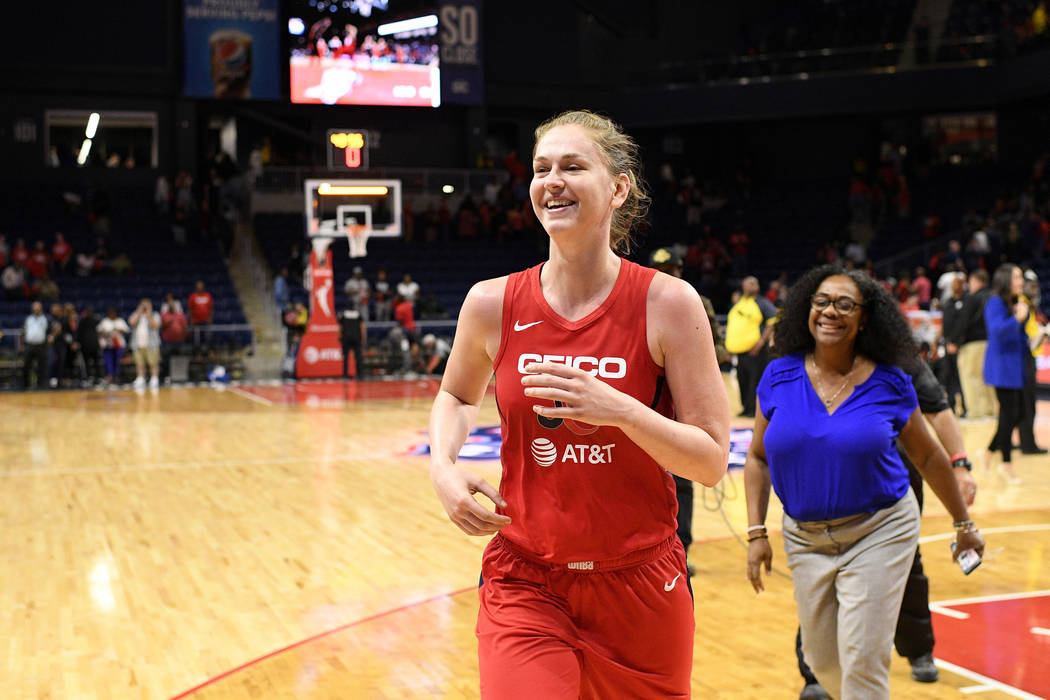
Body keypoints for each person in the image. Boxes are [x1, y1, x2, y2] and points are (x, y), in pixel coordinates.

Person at [428, 109, 729, 699]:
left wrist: (619, 409)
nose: (551, 181)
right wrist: (443, 467)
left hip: (641, 584)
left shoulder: (669, 303)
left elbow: (711, 462)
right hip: (527, 576)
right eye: (541, 169)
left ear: (619, 188)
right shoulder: (492, 303)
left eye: (572, 166)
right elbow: (457, 394)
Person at [745, 264, 984, 700]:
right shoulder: (778, 375)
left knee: (863, 659)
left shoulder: (890, 379)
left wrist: (963, 524)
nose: (830, 312)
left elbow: (928, 455)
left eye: (844, 304)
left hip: (880, 530)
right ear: (805, 309)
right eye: (821, 301)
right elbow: (758, 458)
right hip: (805, 538)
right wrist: (757, 531)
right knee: (823, 663)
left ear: (865, 318)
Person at [795, 358, 979, 698]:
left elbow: (938, 410)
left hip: (894, 479)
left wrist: (960, 463)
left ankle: (918, 649)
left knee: (906, 565)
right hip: (831, 479)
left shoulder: (899, 356)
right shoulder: (810, 358)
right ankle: (817, 671)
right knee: (823, 571)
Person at [649, 245, 729, 577]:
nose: (669, 276)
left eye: (673, 270)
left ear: (681, 270)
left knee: (682, 481)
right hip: (649, 403)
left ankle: (680, 549)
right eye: (662, 271)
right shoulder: (640, 300)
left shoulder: (696, 303)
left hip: (686, 404)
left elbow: (720, 349)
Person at [983, 264, 1034, 482]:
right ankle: (1006, 464)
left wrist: (1034, 339)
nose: (1021, 282)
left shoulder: (1015, 303)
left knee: (1015, 415)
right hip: (1001, 368)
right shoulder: (995, 302)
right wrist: (1018, 319)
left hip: (1015, 367)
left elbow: (1018, 337)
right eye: (1017, 278)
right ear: (1006, 280)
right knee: (1010, 415)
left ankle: (988, 452)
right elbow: (997, 331)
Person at [726, 275, 777, 417]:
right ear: (743, 285)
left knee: (755, 382)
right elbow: (733, 326)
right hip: (739, 352)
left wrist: (760, 343)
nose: (753, 285)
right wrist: (729, 348)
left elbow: (772, 322)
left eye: (755, 283)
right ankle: (746, 409)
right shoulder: (738, 303)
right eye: (749, 283)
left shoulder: (763, 303)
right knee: (742, 381)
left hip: (756, 352)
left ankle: (755, 411)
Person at [957, 270, 995, 418]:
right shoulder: (993, 296)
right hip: (990, 342)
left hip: (972, 342)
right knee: (986, 376)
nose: (969, 285)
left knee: (970, 376)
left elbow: (963, 321)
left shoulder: (972, 298)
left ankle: (975, 411)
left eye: (971, 281)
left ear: (977, 281)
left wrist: (954, 339)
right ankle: (990, 409)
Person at [128, 298, 162, 389]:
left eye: (147, 305)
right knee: (139, 363)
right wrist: (139, 313)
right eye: (143, 305)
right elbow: (131, 322)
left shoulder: (154, 314)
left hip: (151, 344)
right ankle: (140, 378)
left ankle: (154, 378)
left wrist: (148, 315)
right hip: (138, 344)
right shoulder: (136, 314)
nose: (145, 307)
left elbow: (156, 325)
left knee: (153, 362)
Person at [97, 307, 130, 386]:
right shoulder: (105, 321)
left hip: (118, 345)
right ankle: (110, 376)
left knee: (118, 361)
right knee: (109, 361)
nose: (112, 314)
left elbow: (126, 330)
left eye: (113, 313)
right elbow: (99, 330)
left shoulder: (120, 321)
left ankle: (117, 376)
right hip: (108, 345)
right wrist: (106, 333)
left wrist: (118, 330)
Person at [22, 301, 49, 390]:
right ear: (32, 309)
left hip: (41, 345)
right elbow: (24, 331)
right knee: (26, 365)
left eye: (38, 307)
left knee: (41, 366)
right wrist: (22, 345)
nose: (36, 309)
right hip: (29, 345)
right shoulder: (28, 319)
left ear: (41, 308)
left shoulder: (45, 318)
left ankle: (40, 385)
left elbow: (50, 331)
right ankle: (26, 385)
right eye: (35, 307)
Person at [338, 302, 366, 380]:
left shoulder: (344, 314)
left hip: (346, 338)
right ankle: (360, 374)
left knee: (345, 357)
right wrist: (363, 337)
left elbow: (340, 327)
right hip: (356, 338)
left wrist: (339, 336)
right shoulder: (357, 314)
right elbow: (362, 327)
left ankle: (345, 374)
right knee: (358, 357)